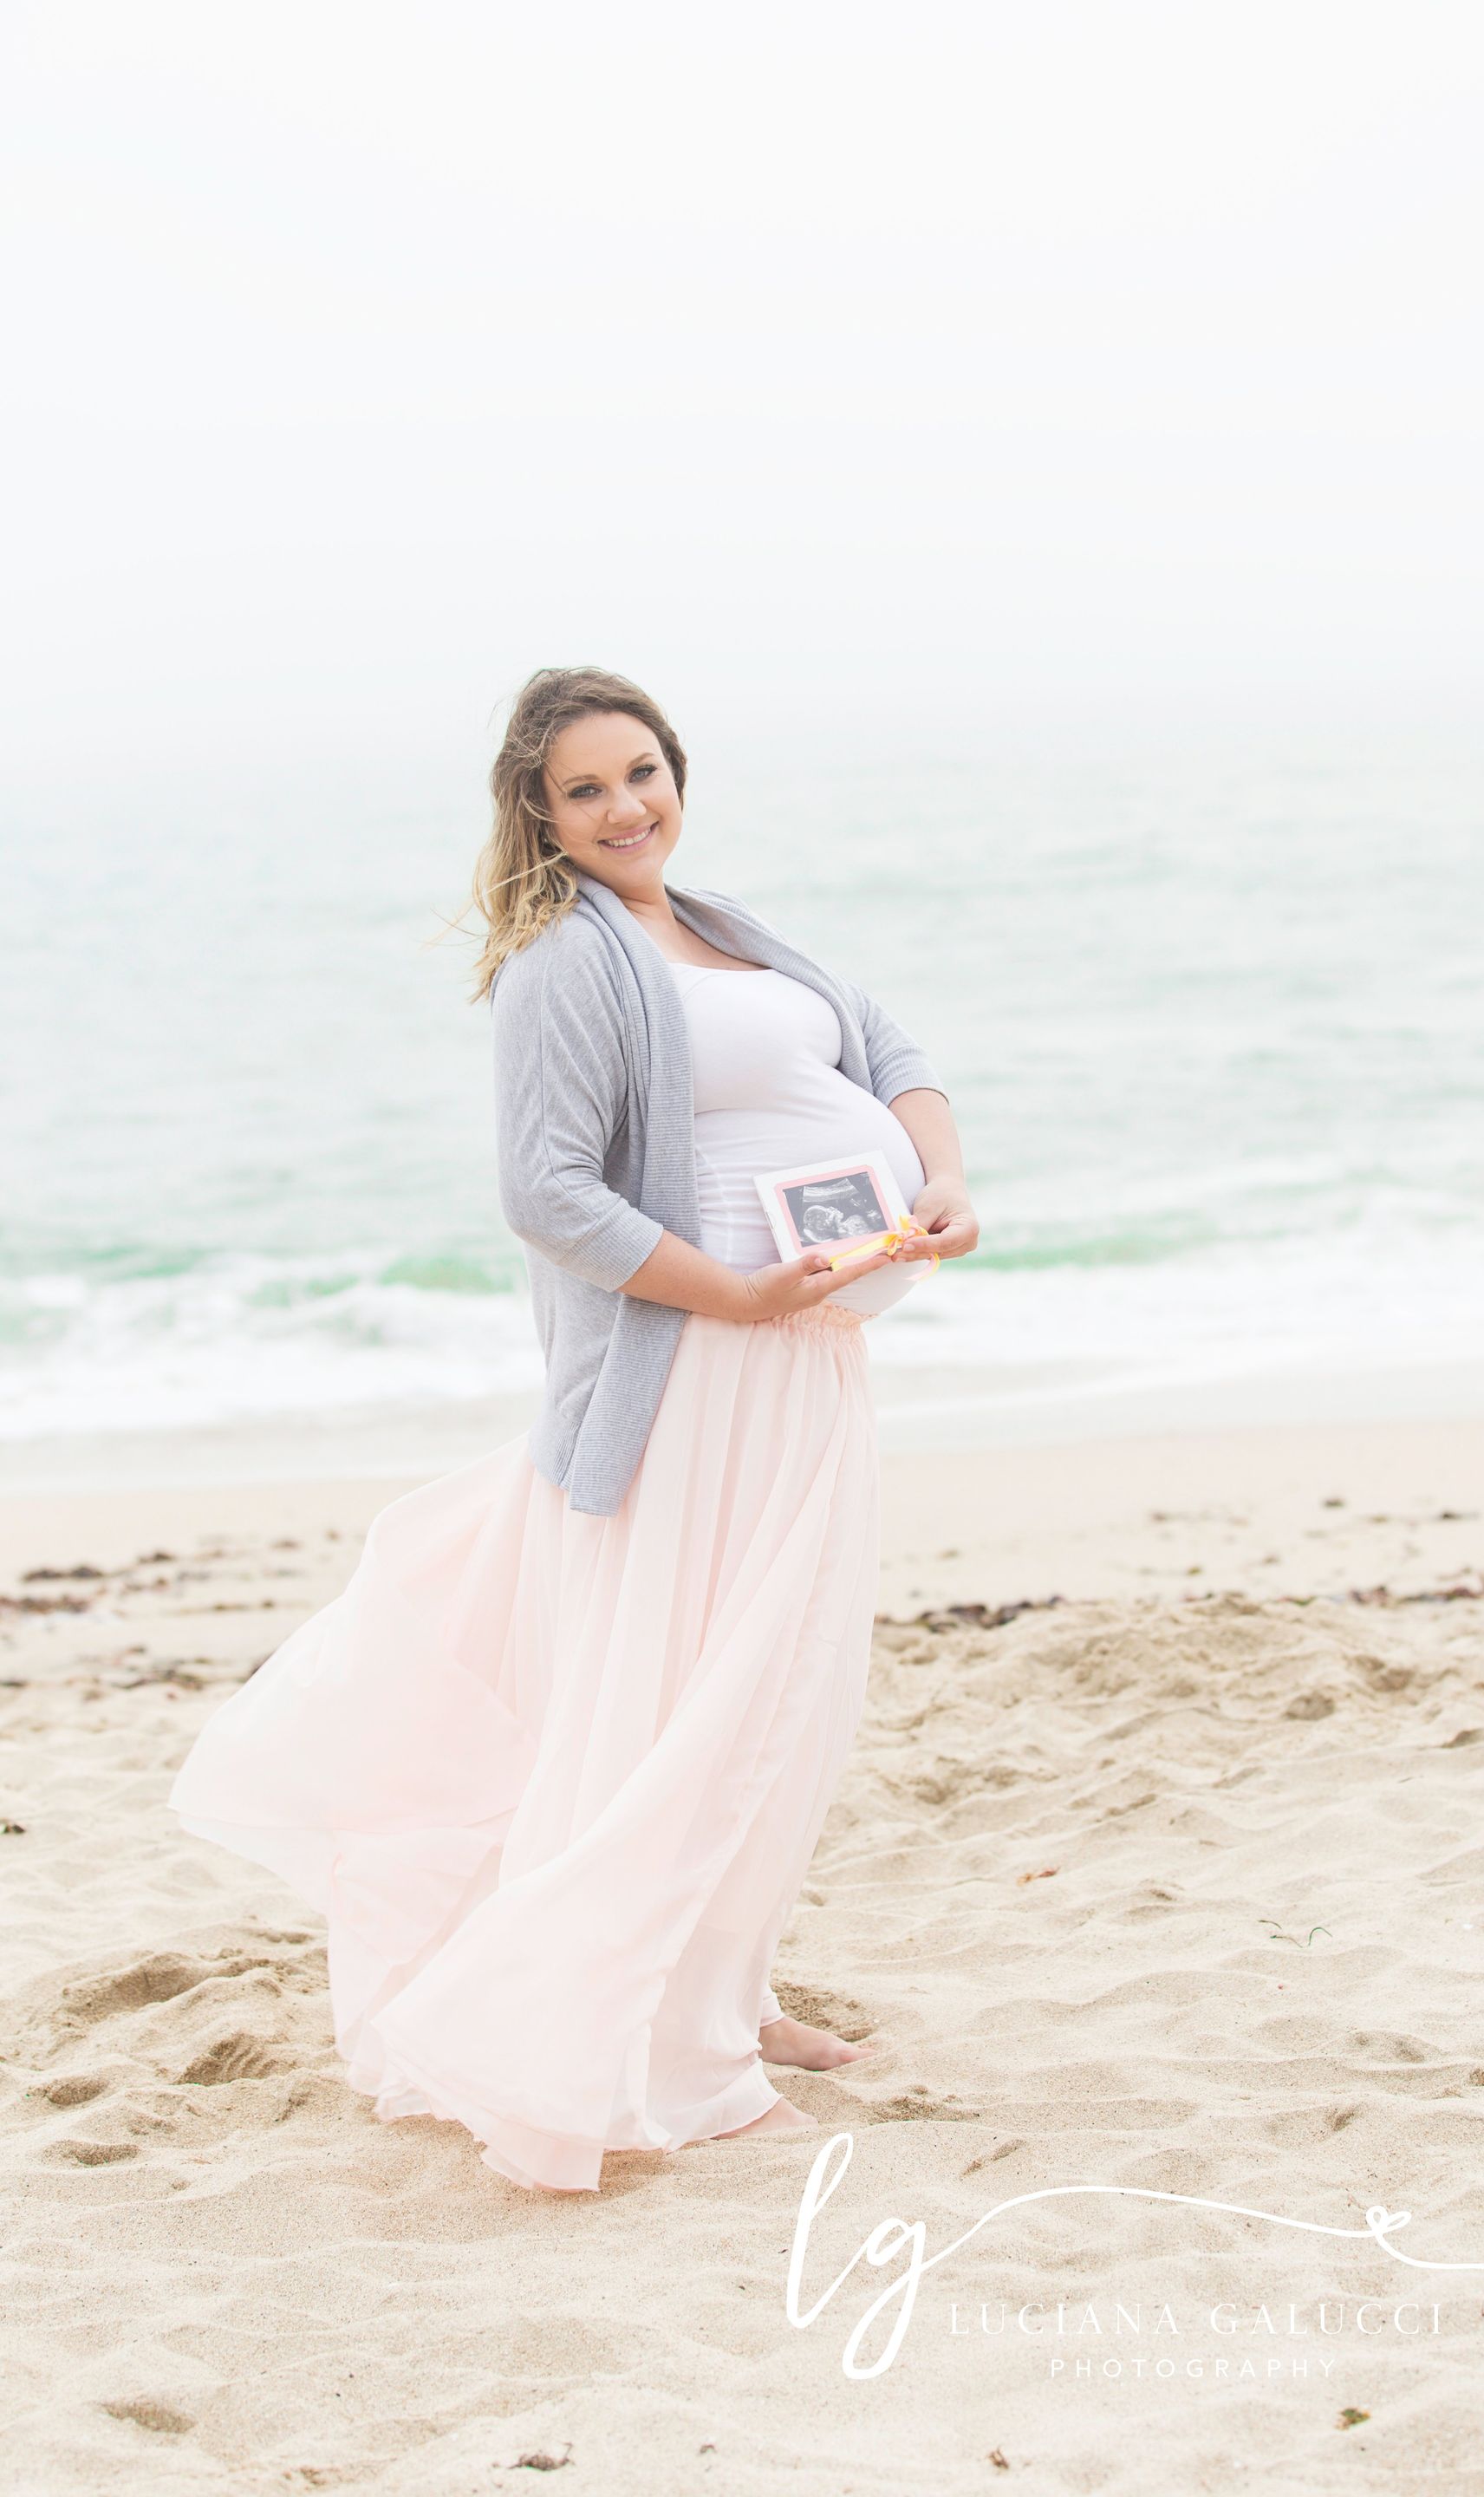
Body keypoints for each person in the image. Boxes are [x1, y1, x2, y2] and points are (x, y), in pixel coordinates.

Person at [168, 665, 978, 2194]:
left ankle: (726, 1996)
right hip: (703, 1373)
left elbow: (887, 1049)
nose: (626, 808)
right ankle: (670, 2052)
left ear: (679, 772)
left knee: (787, 1694)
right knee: (697, 1705)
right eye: (586, 790)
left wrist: (937, 1182)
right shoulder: (565, 960)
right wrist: (736, 1297)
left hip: (805, 1360)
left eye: (642, 773)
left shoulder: (724, 924)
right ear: (539, 816)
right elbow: (546, 1193)